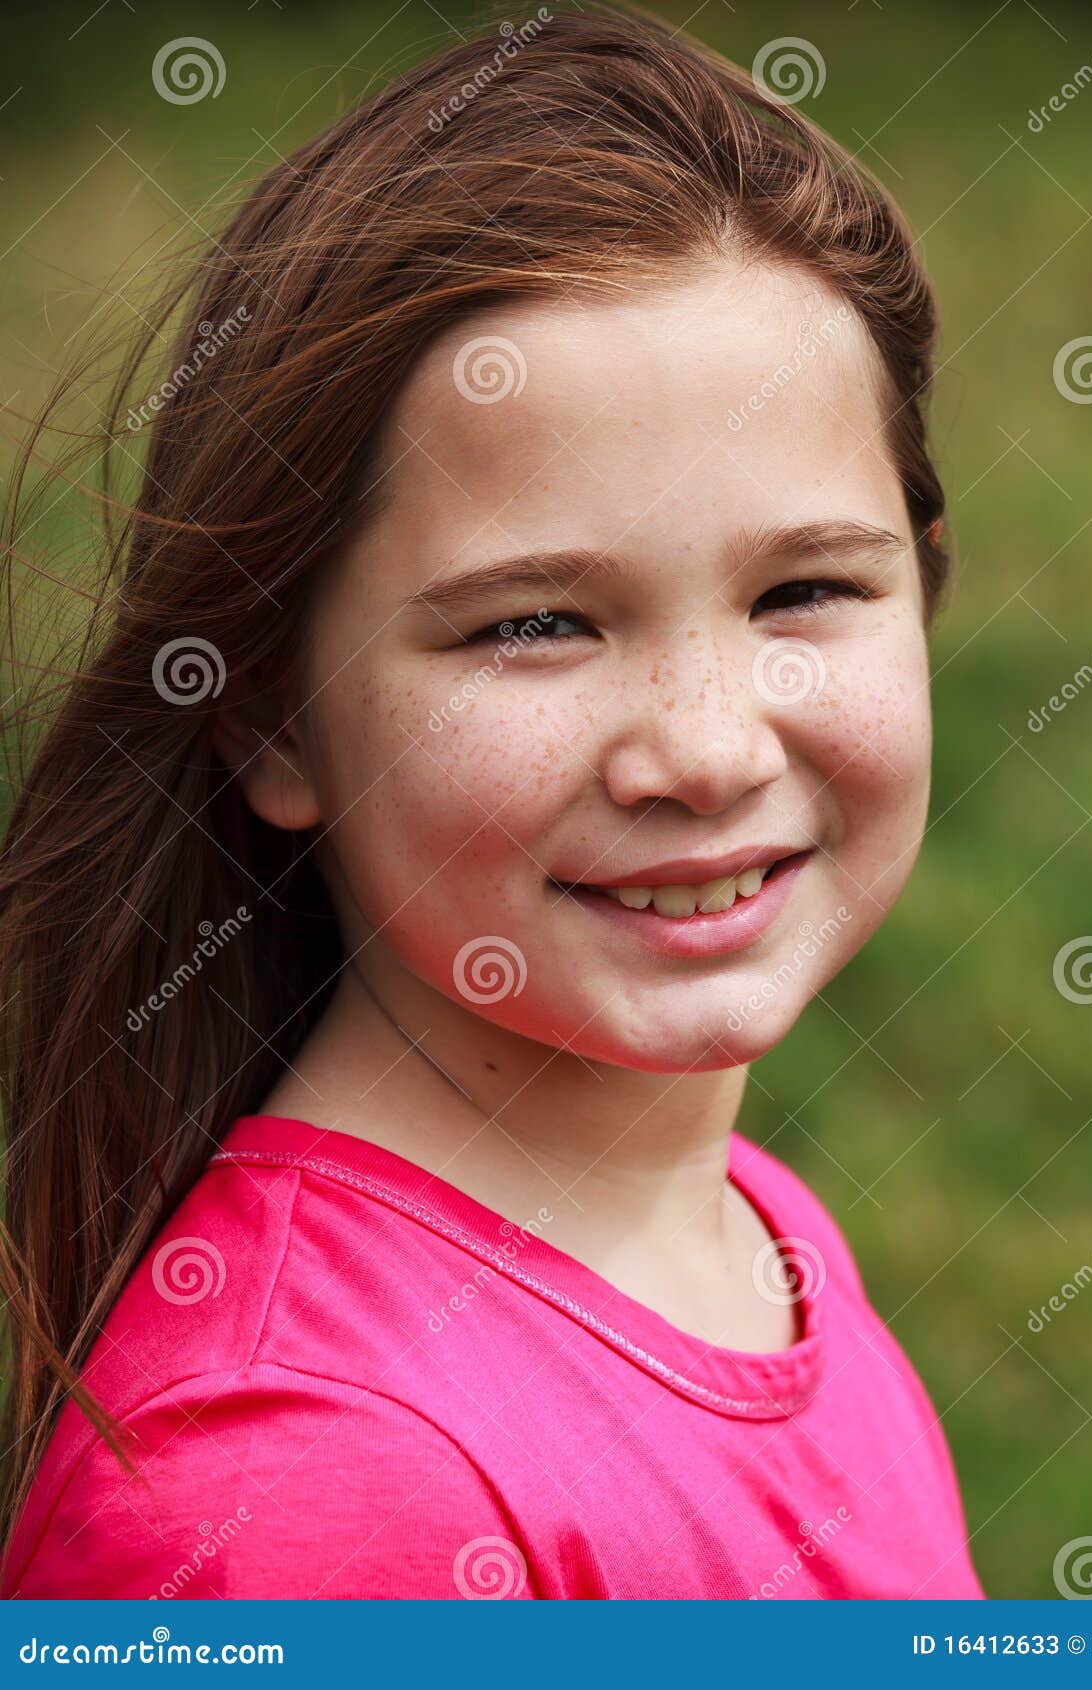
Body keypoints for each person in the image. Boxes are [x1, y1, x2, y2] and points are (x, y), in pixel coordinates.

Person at [0, 2, 984, 1599]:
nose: (709, 747)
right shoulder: (303, 1487)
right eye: (537, 623)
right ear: (269, 717)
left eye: (803, 588)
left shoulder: (752, 1232)